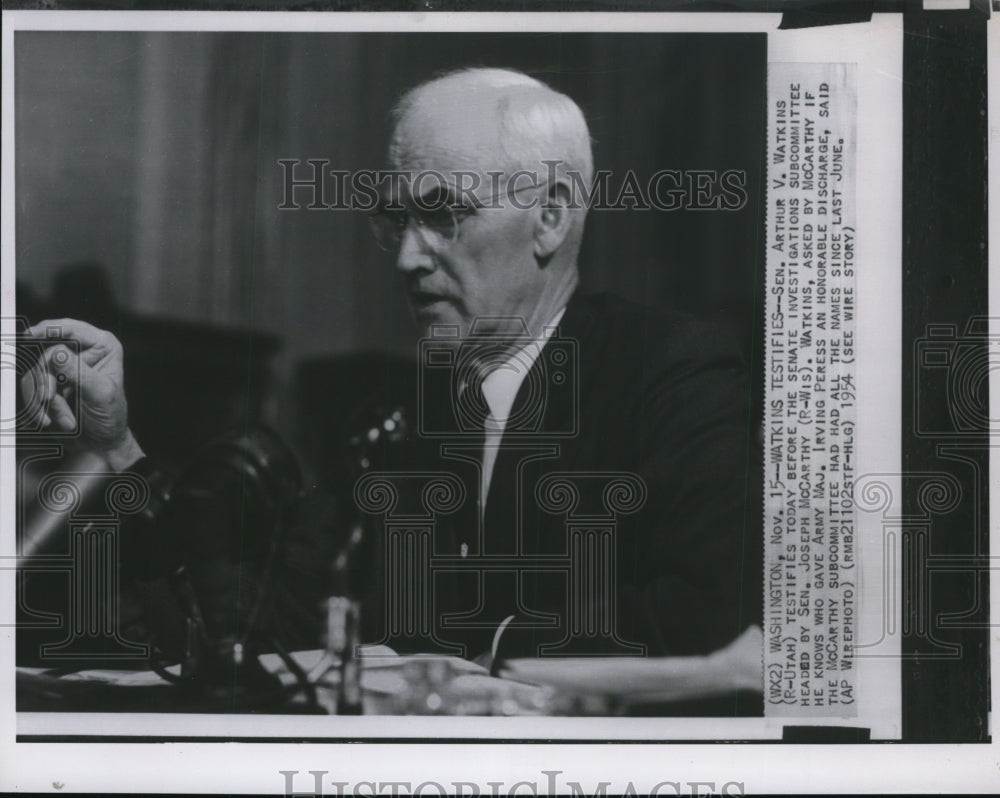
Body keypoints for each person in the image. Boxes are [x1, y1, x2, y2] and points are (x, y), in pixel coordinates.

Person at [21, 67, 761, 669]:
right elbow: (254, 632)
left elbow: (702, 622)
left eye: (443, 215)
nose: (408, 259)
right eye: (397, 222)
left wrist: (447, 650)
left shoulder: (670, 371)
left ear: (551, 216)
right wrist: (120, 448)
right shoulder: (396, 421)